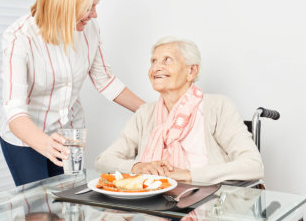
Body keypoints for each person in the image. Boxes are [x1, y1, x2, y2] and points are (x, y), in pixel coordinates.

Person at [0, 0, 144, 186]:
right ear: (64, 3)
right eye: (88, 7)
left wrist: (151, 113)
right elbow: (15, 114)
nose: (94, 14)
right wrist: (45, 144)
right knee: (39, 211)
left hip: (70, 132)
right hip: (26, 136)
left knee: (69, 204)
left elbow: (105, 80)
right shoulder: (20, 38)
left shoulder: (89, 29)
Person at [95, 36, 264, 184]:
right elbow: (104, 161)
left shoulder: (218, 107)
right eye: (153, 61)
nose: (156, 67)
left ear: (191, 71)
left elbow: (253, 165)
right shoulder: (145, 113)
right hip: (151, 201)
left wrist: (188, 175)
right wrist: (138, 167)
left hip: (206, 202)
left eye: (167, 60)